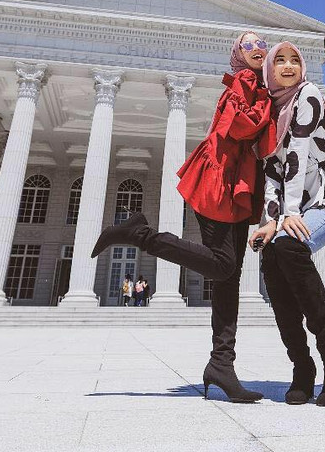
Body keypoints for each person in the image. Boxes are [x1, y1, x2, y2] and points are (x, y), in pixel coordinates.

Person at [90, 31, 276, 402]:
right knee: (224, 267)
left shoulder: (258, 86)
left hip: (238, 185)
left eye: (262, 45)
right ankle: (139, 234)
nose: (258, 50)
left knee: (229, 278)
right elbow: (239, 126)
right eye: (249, 46)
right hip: (218, 181)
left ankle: (221, 365)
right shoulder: (243, 83)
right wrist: (272, 105)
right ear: (238, 55)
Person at [248, 42, 325, 407]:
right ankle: (302, 367)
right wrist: (270, 222)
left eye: (296, 60)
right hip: (294, 207)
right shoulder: (271, 110)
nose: (290, 66)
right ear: (269, 71)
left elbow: (297, 154)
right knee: (272, 257)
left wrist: (288, 216)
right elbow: (272, 175)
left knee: (288, 246)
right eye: (280, 60)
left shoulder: (307, 95)